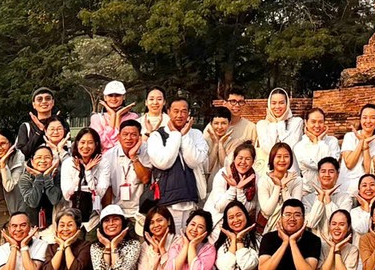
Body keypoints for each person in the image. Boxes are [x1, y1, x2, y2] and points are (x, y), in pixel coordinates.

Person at [144, 98, 207, 231]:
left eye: (184, 111)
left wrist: (184, 136)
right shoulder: (156, 136)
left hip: (191, 196)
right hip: (168, 200)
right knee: (170, 239)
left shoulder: (196, 134)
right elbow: (163, 162)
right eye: (176, 111)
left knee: (189, 237)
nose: (180, 115)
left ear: (189, 113)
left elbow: (193, 160)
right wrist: (176, 136)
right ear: (168, 112)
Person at [207, 140, 261, 227]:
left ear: (253, 161)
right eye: (240, 158)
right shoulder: (224, 173)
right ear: (234, 158)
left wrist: (239, 190)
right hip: (218, 221)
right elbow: (220, 207)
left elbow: (247, 209)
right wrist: (233, 188)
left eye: (247, 159)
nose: (243, 162)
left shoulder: (255, 178)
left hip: (241, 223)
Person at [61, 128, 107, 224]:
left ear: (96, 144)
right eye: (82, 142)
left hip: (95, 215)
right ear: (77, 143)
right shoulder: (68, 163)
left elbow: (99, 193)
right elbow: (67, 195)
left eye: (90, 142)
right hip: (73, 216)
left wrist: (88, 172)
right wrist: (80, 174)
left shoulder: (103, 163)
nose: (85, 146)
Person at [257, 142, 304, 233]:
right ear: (272, 158)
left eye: (286, 156)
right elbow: (267, 211)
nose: (282, 160)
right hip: (267, 228)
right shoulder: (264, 180)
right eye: (278, 156)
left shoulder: (297, 180)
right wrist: (278, 186)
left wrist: (285, 188)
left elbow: (294, 207)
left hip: (291, 227)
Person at [255, 88, 302, 159]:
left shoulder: (296, 122)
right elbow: (268, 149)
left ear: (287, 104)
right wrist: (274, 124)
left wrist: (279, 122)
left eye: (281, 103)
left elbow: (288, 147)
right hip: (267, 168)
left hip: (290, 168)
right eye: (273, 103)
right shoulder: (262, 124)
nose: (277, 106)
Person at [16, 87, 61, 156]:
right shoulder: (26, 127)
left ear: (53, 102)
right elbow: (22, 154)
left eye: (48, 98)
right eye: (39, 99)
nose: (44, 101)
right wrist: (39, 132)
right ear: (34, 104)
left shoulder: (61, 125)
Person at [89, 79, 130, 149]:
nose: (114, 99)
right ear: (105, 97)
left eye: (117, 95)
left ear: (124, 97)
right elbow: (101, 143)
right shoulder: (96, 118)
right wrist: (113, 116)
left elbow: (121, 144)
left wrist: (118, 115)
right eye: (110, 95)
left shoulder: (132, 117)